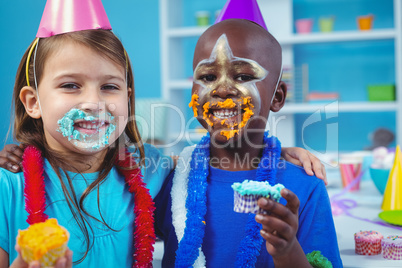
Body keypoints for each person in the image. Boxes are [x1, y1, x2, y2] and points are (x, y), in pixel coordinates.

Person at [153, 9, 342, 268]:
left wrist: (287, 251)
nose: (221, 89)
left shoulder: (304, 186)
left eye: (243, 76)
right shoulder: (172, 180)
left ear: (277, 97)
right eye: (207, 77)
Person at [0, 1, 173, 267]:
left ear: (126, 100)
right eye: (70, 85)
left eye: (109, 86)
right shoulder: (7, 187)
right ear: (33, 102)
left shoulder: (150, 168)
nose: (93, 102)